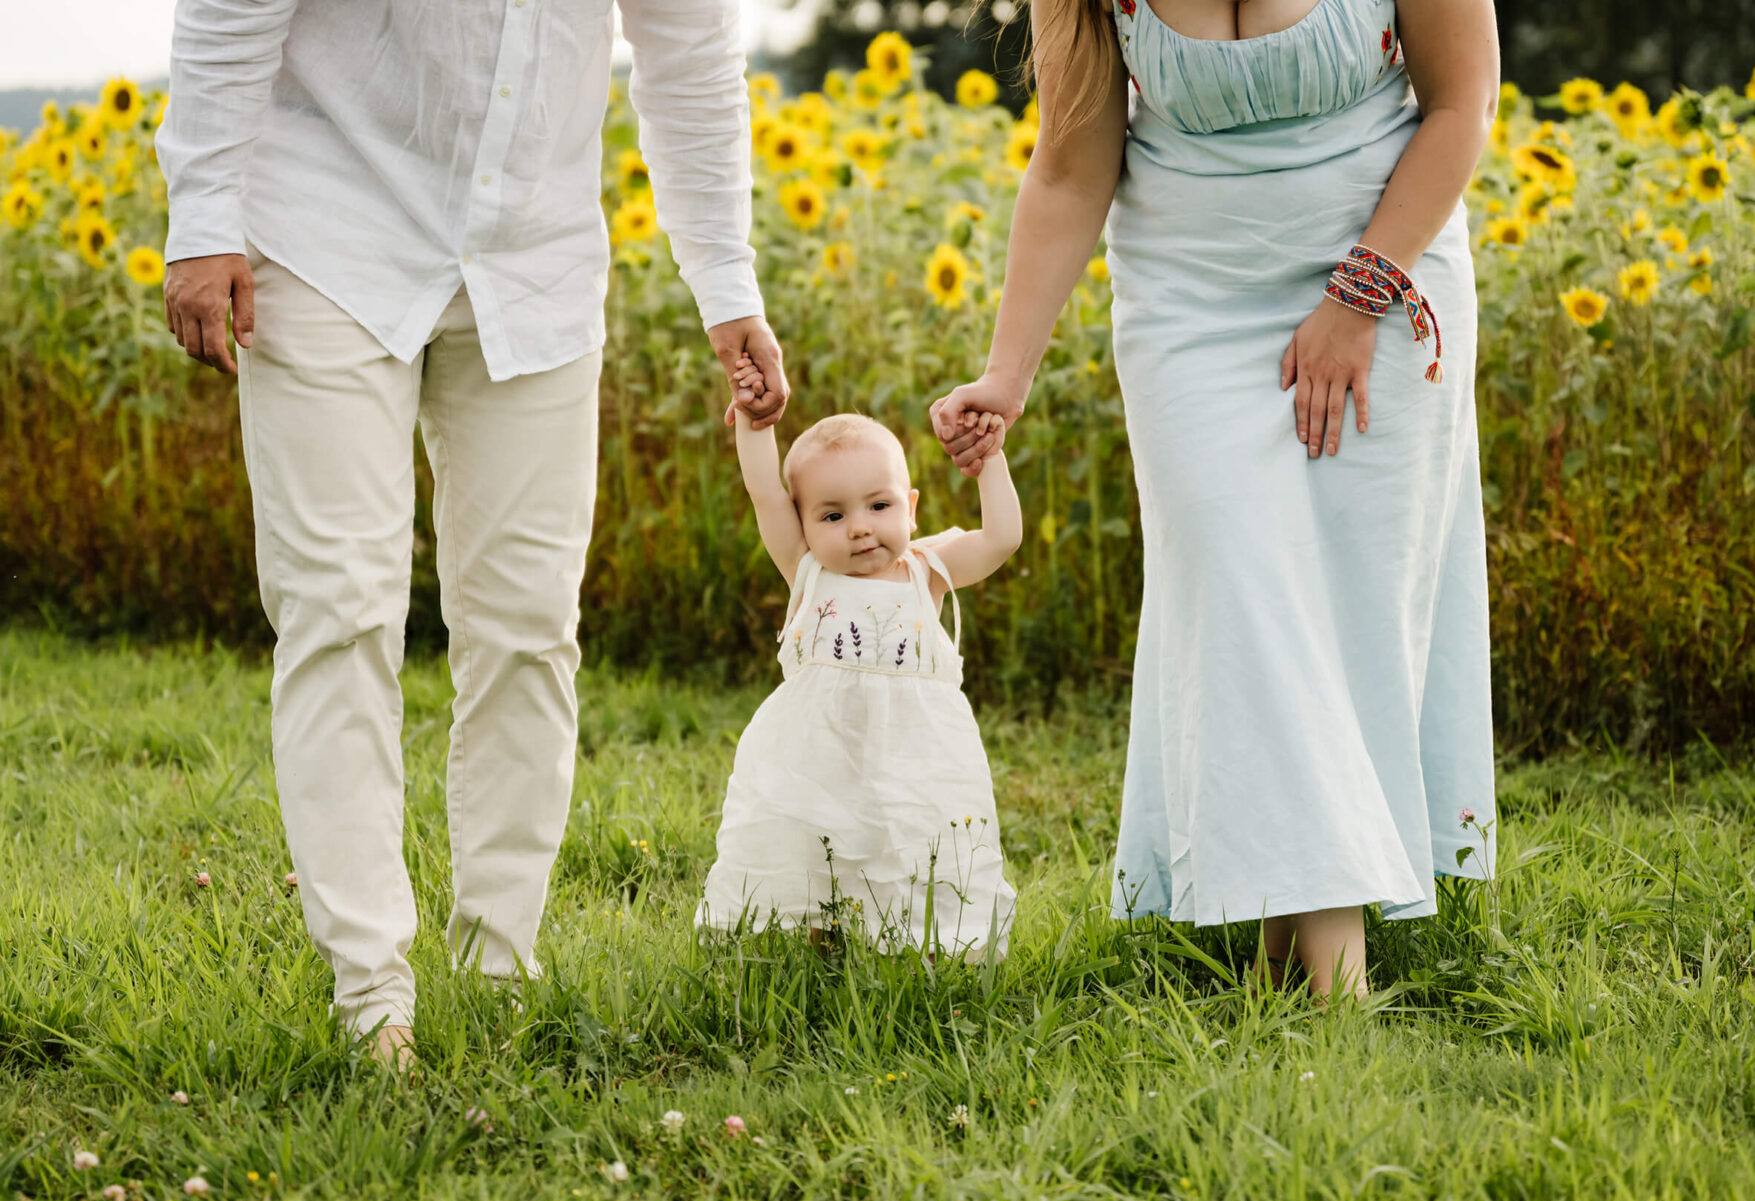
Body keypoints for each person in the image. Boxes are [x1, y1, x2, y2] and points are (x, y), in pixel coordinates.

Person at [155, 0, 789, 1069]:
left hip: (531, 255)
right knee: (337, 608)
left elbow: (689, 53)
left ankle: (500, 969)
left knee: (529, 622)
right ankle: (371, 995)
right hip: (325, 231)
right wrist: (203, 211)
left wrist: (725, 283)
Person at [932, 0, 1501, 1000]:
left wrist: (1356, 299)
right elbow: (1069, 168)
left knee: (1350, 618)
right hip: (1190, 304)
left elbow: (1463, 104)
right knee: (1244, 594)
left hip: (1386, 273)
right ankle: (1336, 985)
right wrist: (1005, 377)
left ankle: (1291, 942)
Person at [699, 355, 1019, 959]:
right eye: (832, 514)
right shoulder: (807, 571)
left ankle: (915, 951)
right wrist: (753, 420)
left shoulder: (929, 571)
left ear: (911, 504)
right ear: (803, 523)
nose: (860, 529)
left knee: (911, 849)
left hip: (916, 760)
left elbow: (1001, 538)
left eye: (879, 506)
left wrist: (988, 461)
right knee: (816, 850)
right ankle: (822, 950)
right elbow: (763, 487)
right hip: (820, 758)